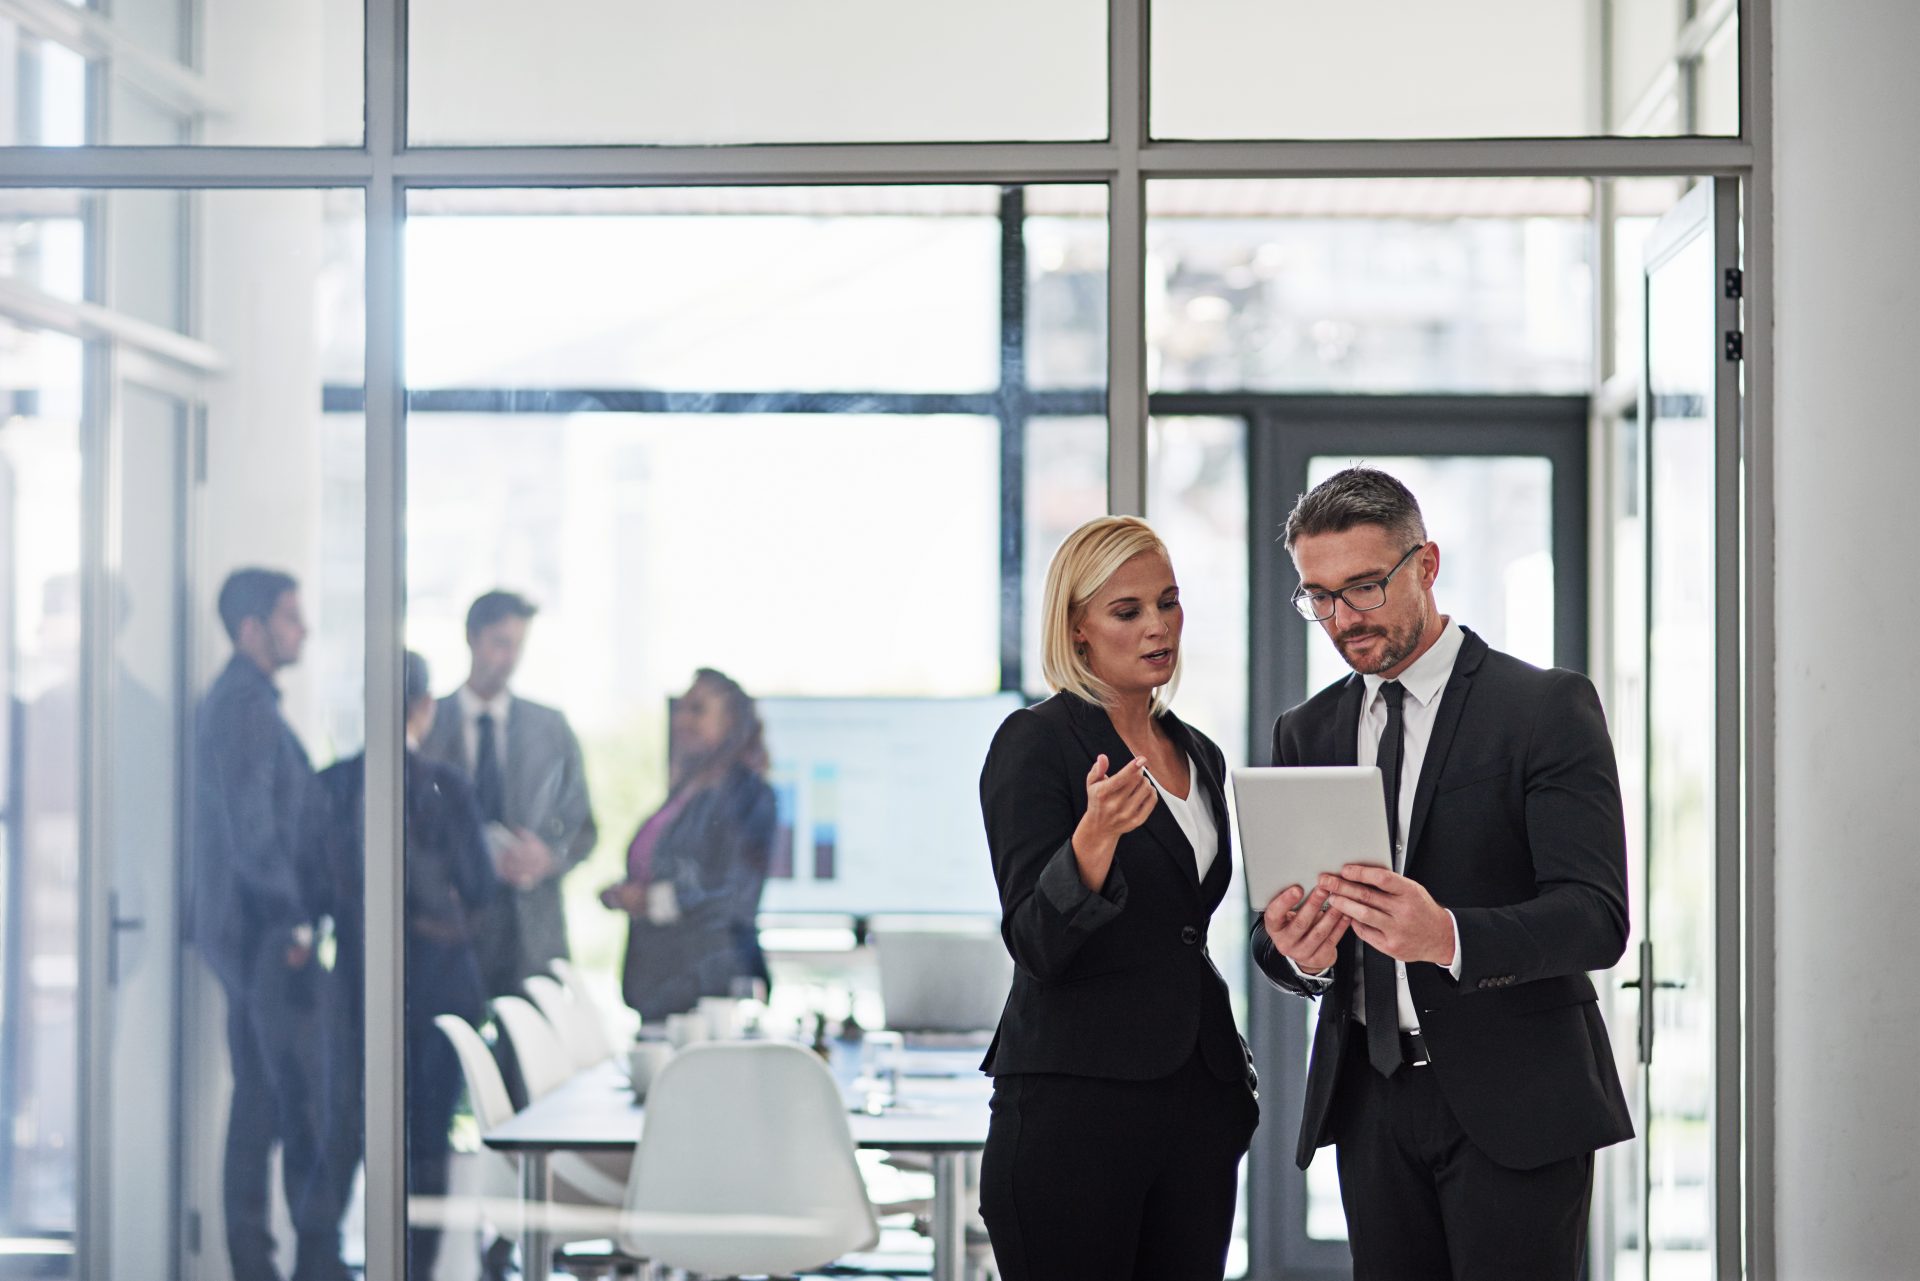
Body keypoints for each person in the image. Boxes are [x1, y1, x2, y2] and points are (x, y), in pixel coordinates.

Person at [1252, 468, 1633, 1281]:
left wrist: (1449, 935)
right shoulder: (1306, 729)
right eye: (1317, 596)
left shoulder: (1544, 708)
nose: (1341, 619)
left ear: (1425, 564)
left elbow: (1596, 916)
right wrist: (1296, 952)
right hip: (1371, 1099)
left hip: (1519, 1100)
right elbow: (1276, 930)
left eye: (1362, 587)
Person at [975, 516, 1258, 1281]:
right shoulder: (1035, 742)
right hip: (1075, 1112)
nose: (1157, 627)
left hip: (1196, 1108)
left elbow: (1186, 924)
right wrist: (1091, 843)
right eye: (1127, 611)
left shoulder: (1198, 750)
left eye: (1167, 603)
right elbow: (1035, 941)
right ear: (1078, 629)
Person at [304, 651, 497, 1280]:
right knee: (426, 1145)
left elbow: (314, 893)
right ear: (425, 706)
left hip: (356, 984)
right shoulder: (449, 787)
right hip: (437, 984)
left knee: (340, 1135)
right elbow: (481, 890)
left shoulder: (331, 785)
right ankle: (413, 1274)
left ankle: (322, 1267)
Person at [190, 568, 342, 1281]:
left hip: (258, 933)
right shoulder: (243, 708)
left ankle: (277, 1263)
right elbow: (252, 829)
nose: (302, 628)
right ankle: (268, 1265)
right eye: (289, 616)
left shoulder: (246, 703)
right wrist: (292, 921)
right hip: (264, 936)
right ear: (252, 629)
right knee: (272, 1102)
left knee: (271, 1096)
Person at [418, 590, 597, 998]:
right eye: (500, 643)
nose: (510, 658)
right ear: (472, 638)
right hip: (450, 930)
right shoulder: (426, 724)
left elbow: (582, 827)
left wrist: (549, 857)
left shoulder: (549, 729)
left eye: (518, 645)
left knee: (531, 1054)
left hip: (531, 930)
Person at [600, 668, 776, 1022]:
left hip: (709, 987)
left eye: (698, 709)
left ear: (731, 720)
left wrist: (652, 900)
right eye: (681, 708)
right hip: (662, 985)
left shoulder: (748, 795)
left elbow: (732, 889)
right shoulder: (687, 790)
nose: (682, 719)